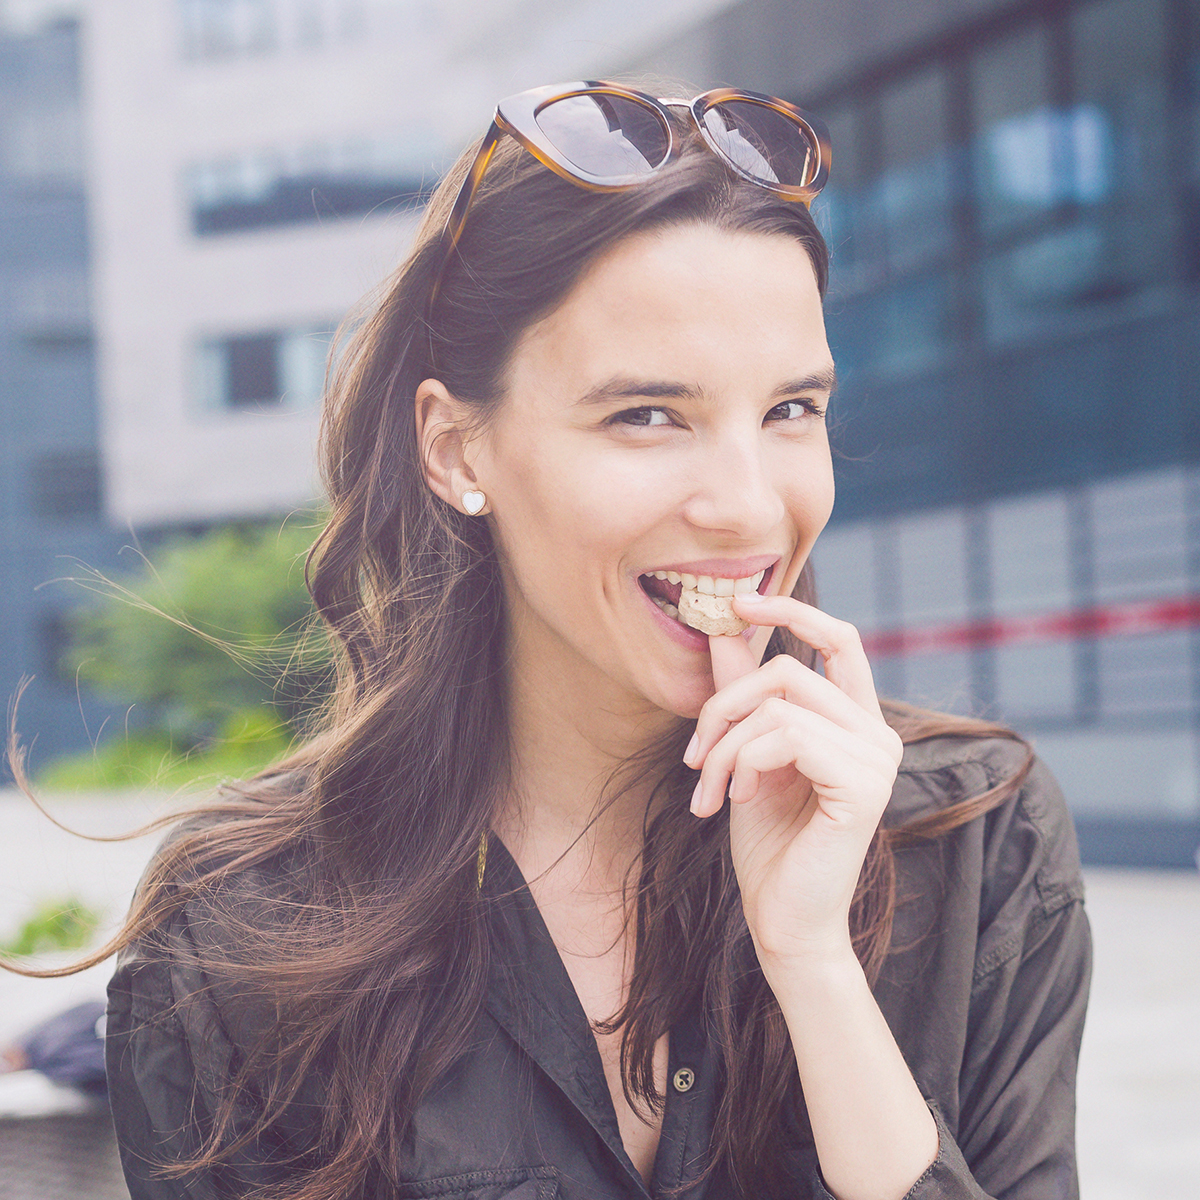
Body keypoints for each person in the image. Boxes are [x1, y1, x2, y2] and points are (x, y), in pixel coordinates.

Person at [98, 83, 1091, 1200]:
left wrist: (815, 968)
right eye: (645, 416)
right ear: (455, 449)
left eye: (790, 410)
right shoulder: (242, 932)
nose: (748, 507)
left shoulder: (976, 836)